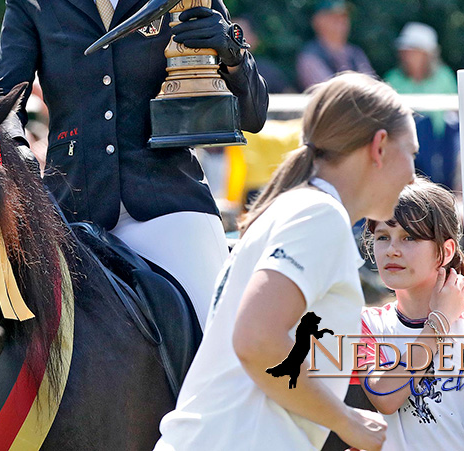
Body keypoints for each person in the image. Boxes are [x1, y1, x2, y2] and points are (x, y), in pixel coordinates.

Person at [0, 0, 269, 322]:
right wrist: (19, 161)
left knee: (217, 335)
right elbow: (4, 102)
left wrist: (229, 48)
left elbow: (254, 115)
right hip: (68, 209)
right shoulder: (31, 1)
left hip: (169, 204)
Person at [156, 72, 417, 451]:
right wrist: (346, 421)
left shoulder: (300, 209)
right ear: (379, 147)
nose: (412, 174)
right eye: (410, 152)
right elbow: (258, 340)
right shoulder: (318, 216)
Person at [357, 179, 464, 451]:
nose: (392, 250)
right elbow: (384, 395)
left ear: (445, 251)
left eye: (409, 237)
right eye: (383, 237)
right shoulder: (367, 324)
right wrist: (440, 322)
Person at [384, 22, 458, 188]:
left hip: (441, 146)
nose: (407, 54)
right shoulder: (393, 78)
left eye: (413, 50)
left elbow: (454, 115)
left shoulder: (444, 77)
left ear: (426, 53)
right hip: (403, 144)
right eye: (406, 50)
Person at [295, 0, 375, 91]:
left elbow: (372, 87)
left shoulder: (356, 53)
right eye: (333, 16)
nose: (341, 21)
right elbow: (330, 92)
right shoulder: (310, 56)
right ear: (318, 21)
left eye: (344, 16)